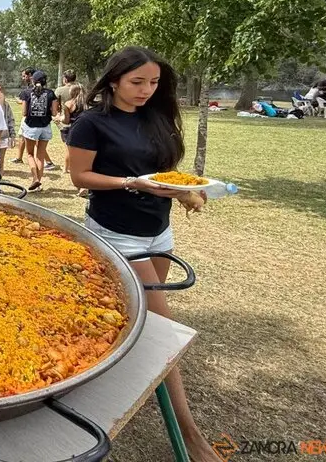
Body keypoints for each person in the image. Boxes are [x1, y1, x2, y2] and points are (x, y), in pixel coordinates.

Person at [66, 46, 220, 462]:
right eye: (137, 82)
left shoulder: (158, 118)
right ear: (114, 80)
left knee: (145, 324)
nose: (146, 91)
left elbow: (165, 173)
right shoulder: (91, 122)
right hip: (116, 233)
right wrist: (133, 183)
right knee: (163, 330)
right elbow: (80, 176)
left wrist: (188, 193)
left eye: (153, 83)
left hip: (158, 232)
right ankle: (190, 435)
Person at [19, 71, 60, 192]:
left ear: (33, 80)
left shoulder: (26, 93)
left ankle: (35, 179)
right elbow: (54, 113)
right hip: (45, 126)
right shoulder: (50, 93)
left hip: (31, 126)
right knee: (40, 157)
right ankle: (39, 185)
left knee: (30, 154)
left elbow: (24, 113)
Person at [60, 82, 88, 198]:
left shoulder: (68, 104)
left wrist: (59, 118)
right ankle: (87, 185)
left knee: (75, 159)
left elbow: (66, 121)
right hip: (88, 131)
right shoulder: (88, 104)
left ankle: (81, 186)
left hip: (74, 131)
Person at [0, 81, 17, 174]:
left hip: (3, 136)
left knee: (0, 162)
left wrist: (12, 135)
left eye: (0, 89)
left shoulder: (6, 105)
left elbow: (10, 120)